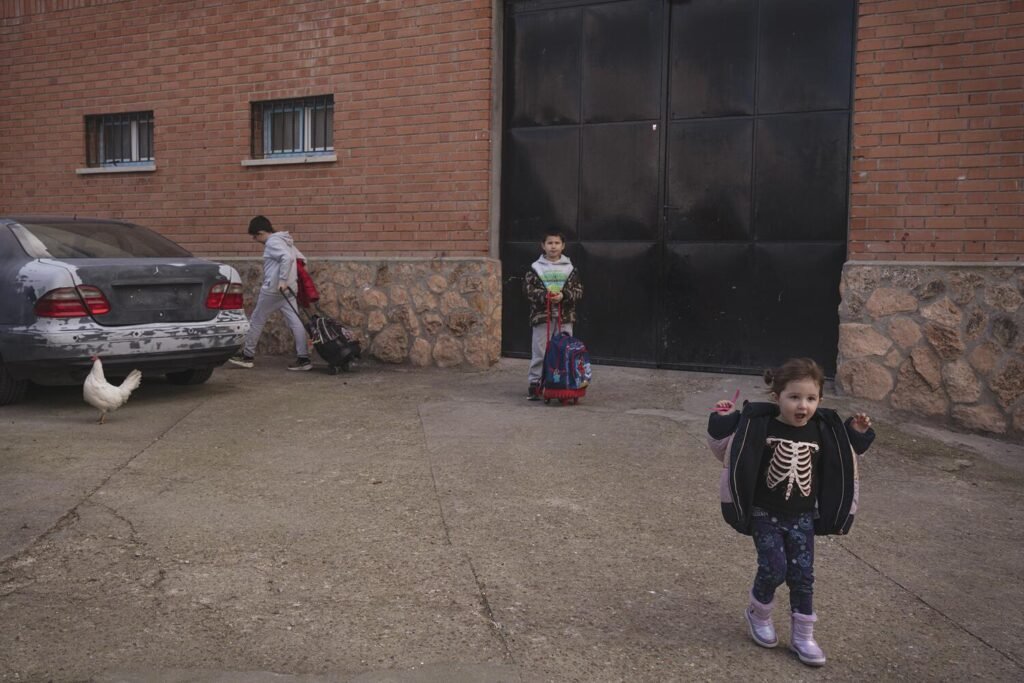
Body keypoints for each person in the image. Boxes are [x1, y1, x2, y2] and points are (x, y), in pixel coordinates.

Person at [706, 357, 875, 667]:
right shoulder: (760, 424)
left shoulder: (823, 431)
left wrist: (857, 433)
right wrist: (724, 418)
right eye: (794, 397)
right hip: (764, 513)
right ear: (777, 397)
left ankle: (803, 635)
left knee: (802, 576)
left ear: (820, 400)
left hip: (802, 516)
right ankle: (759, 614)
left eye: (811, 399)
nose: (803, 406)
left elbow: (845, 458)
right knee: (774, 567)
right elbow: (725, 451)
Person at [228, 215, 312, 371]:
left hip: (274, 290)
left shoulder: (272, 242)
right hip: (289, 289)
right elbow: (302, 259)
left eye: (254, 236)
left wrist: (282, 280)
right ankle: (304, 358)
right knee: (295, 321)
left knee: (257, 319)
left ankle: (247, 356)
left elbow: (287, 258)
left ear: (261, 232)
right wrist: (290, 280)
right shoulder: (285, 240)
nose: (255, 239)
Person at [523, 229, 583, 400]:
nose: (553, 246)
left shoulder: (570, 269)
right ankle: (536, 384)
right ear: (543, 246)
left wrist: (564, 295)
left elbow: (578, 291)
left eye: (557, 243)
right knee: (540, 351)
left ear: (563, 246)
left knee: (564, 351)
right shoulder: (535, 268)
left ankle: (563, 383)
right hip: (543, 317)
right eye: (549, 243)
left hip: (565, 317)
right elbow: (528, 290)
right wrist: (545, 296)